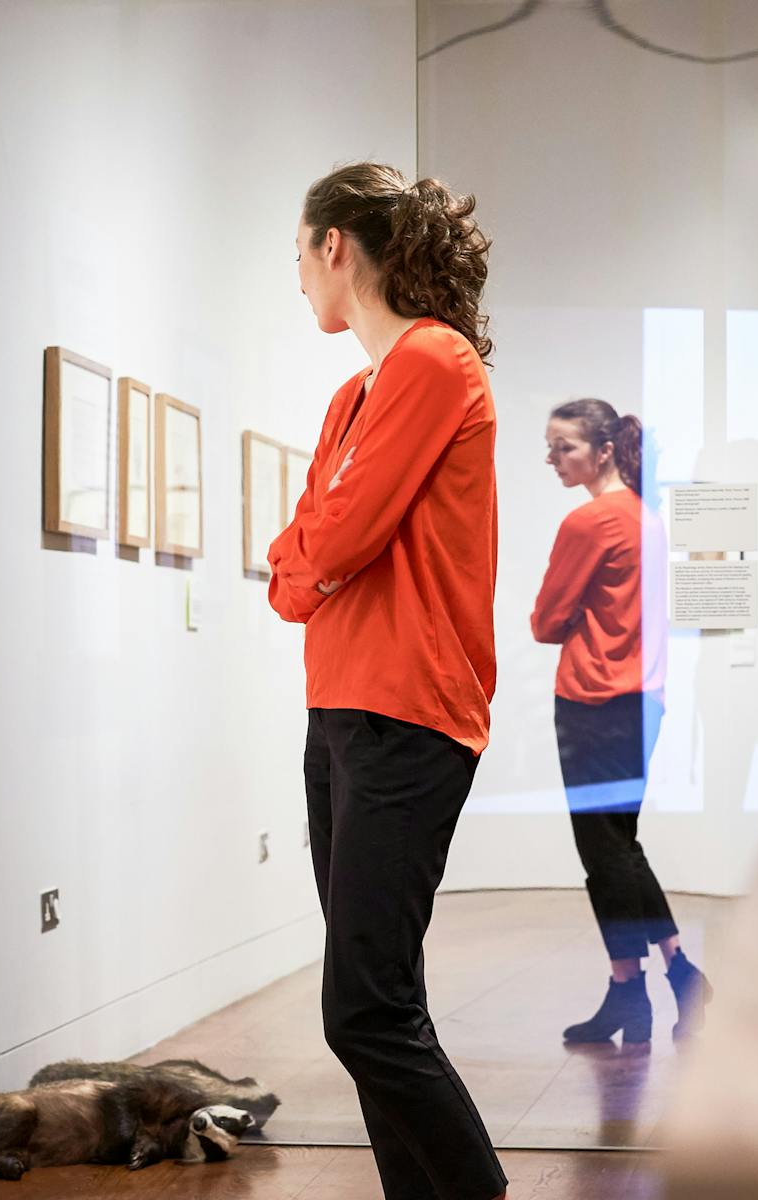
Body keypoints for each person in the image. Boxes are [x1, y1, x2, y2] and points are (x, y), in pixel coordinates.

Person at [268, 162, 507, 1200]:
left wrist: (313, 558)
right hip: (340, 715)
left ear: (335, 246)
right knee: (382, 1000)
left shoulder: (434, 361)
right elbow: (295, 562)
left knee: (360, 1008)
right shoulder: (351, 396)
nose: (298, 281)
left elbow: (341, 534)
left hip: (409, 716)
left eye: (298, 256)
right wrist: (312, 559)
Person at [531, 399, 712, 1045]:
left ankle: (676, 973)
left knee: (606, 854)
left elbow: (545, 622)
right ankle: (630, 991)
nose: (553, 459)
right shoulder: (647, 518)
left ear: (603, 450)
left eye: (564, 447)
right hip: (643, 702)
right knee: (618, 850)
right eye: (550, 448)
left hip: (593, 701)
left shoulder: (590, 522)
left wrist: (572, 621)